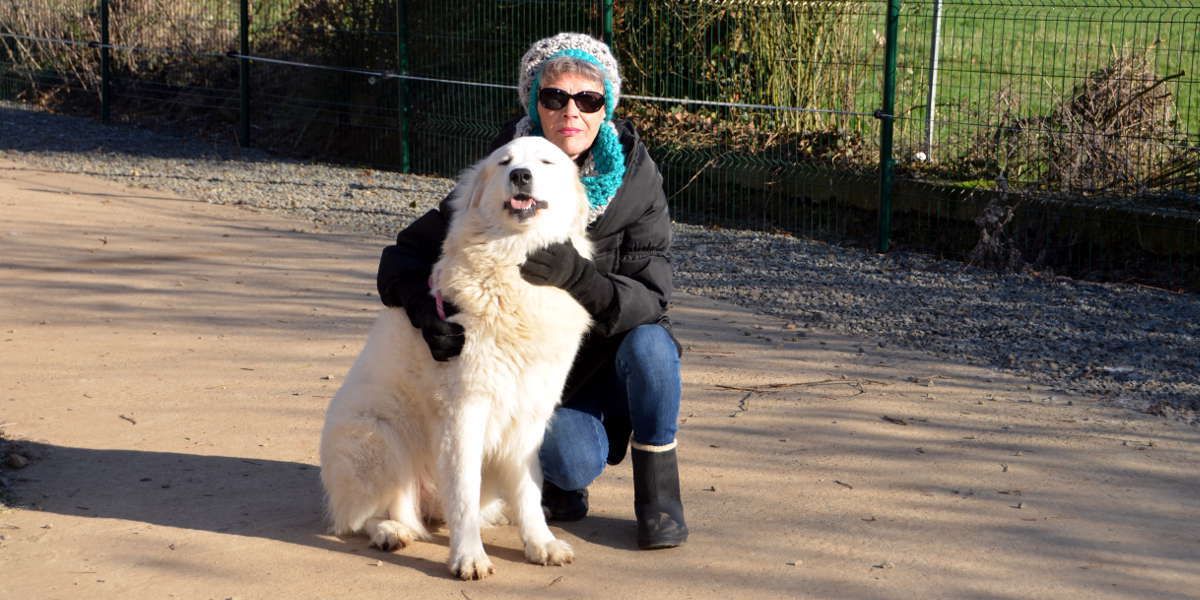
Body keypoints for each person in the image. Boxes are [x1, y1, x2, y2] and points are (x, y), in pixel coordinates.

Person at [375, 32, 687, 550]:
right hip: (534, 374)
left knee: (654, 348)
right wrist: (422, 308)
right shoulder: (502, 171)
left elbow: (651, 295)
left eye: (588, 100)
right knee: (565, 457)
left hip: (607, 356)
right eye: (554, 97)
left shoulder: (637, 181)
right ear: (534, 102)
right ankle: (560, 488)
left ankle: (660, 501)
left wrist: (581, 277)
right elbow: (404, 257)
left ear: (605, 108)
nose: (571, 111)